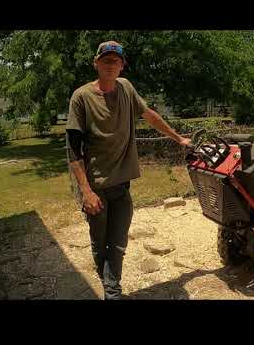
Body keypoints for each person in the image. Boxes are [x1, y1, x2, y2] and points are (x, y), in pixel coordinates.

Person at [66, 41, 190, 300]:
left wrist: (178, 138)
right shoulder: (81, 97)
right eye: (106, 60)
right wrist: (86, 191)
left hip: (122, 185)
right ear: (96, 63)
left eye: (116, 61)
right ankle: (108, 281)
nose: (111, 65)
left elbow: (150, 115)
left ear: (122, 66)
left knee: (118, 244)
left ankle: (112, 291)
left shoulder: (127, 88)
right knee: (100, 244)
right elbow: (73, 151)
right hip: (96, 187)